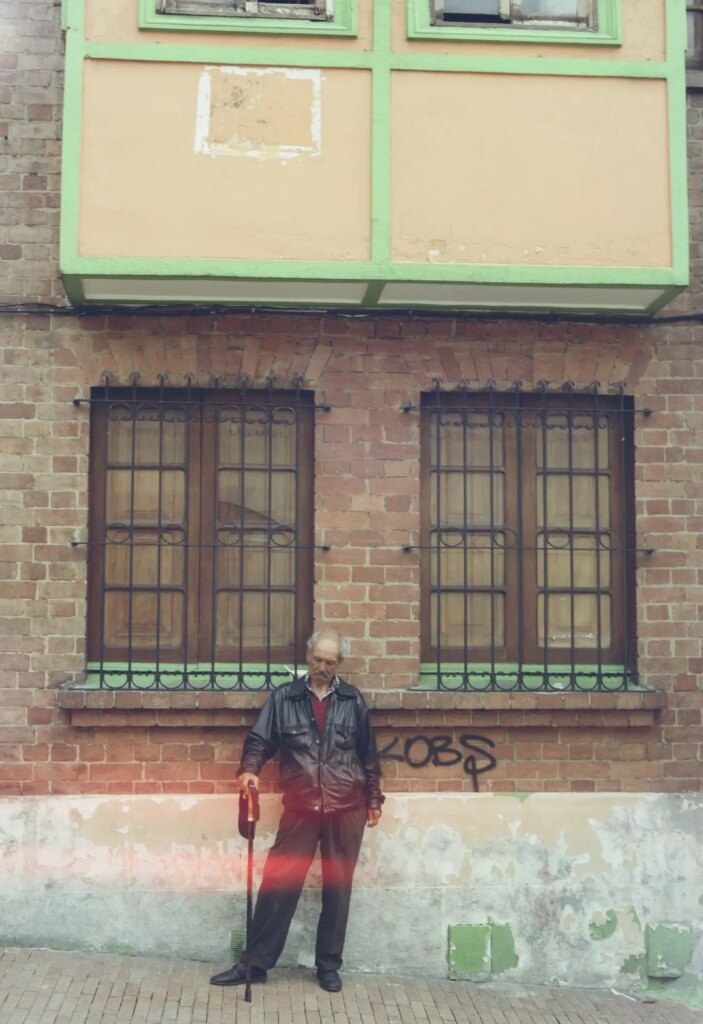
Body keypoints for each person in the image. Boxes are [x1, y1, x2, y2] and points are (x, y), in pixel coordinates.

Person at [210, 627, 384, 993]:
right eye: (317, 659)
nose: (322, 667)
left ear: (340, 664)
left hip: (345, 806)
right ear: (308, 657)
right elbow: (259, 740)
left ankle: (328, 966)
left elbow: (368, 755)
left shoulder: (352, 701)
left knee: (337, 890)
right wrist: (249, 770)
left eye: (330, 662)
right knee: (278, 882)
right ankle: (254, 964)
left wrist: (373, 800)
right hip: (302, 807)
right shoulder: (284, 698)